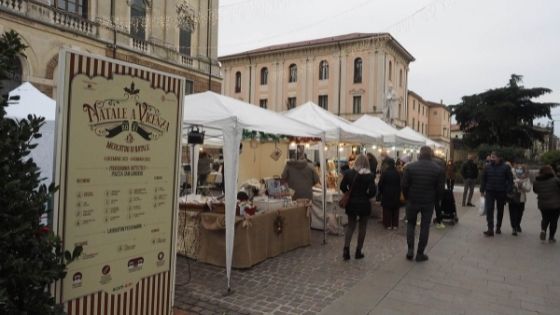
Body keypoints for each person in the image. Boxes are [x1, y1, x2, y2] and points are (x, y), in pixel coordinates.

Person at [401, 146, 445, 262]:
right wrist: (436, 200)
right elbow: (440, 189)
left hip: (412, 200)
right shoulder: (438, 169)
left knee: (411, 224)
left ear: (420, 154)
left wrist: (407, 197)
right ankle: (420, 253)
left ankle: (410, 250)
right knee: (425, 226)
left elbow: (404, 185)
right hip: (428, 202)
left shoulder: (410, 167)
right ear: (431, 154)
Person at [340, 154, 376, 260]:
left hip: (351, 202)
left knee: (351, 226)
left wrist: (348, 193)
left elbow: (342, 186)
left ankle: (346, 250)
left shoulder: (349, 173)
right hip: (364, 203)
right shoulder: (370, 175)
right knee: (362, 227)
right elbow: (373, 191)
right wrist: (367, 195)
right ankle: (358, 251)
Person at [480, 151, 513, 236]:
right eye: (491, 157)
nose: (492, 158)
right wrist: (482, 190)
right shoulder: (487, 167)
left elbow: (510, 180)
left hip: (501, 191)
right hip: (490, 190)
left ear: (499, 158)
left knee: (500, 209)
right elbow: (483, 179)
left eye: (493, 157)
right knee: (489, 209)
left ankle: (498, 227)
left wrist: (509, 190)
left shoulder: (505, 167)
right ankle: (490, 229)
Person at [532, 165, 560, 243]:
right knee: (554, 220)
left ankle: (543, 230)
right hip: (556, 204)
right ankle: (551, 237)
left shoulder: (537, 181)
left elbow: (535, 191)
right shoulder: (556, 180)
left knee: (545, 218)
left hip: (543, 204)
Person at [508, 163, 532, 236]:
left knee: (519, 213)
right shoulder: (511, 176)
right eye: (517, 169)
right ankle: (514, 227)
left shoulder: (526, 178)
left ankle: (517, 224)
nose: (519, 170)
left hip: (521, 198)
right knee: (512, 213)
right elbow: (507, 184)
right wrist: (514, 184)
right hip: (512, 197)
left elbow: (528, 189)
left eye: (521, 169)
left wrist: (522, 186)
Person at [377, 158, 401, 230]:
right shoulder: (397, 172)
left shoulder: (385, 173)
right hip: (396, 192)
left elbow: (380, 184)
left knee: (387, 209)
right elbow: (400, 183)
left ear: (387, 164)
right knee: (395, 209)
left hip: (386, 192)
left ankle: (387, 224)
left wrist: (381, 192)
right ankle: (395, 225)